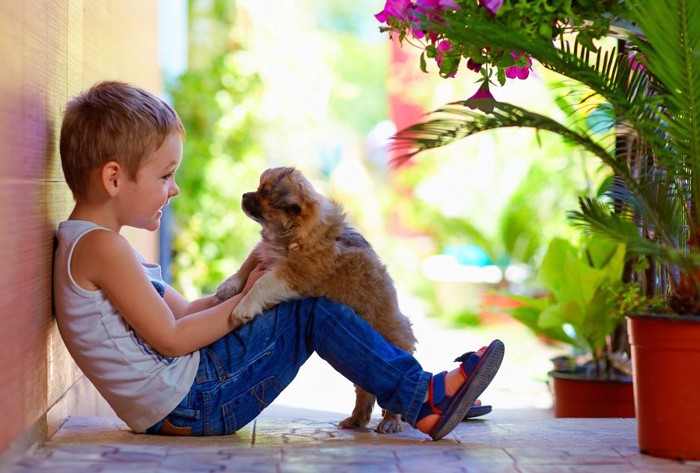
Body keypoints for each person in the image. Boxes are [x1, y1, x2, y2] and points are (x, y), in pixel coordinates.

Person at [52, 80, 505, 440]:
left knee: (299, 295)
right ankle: (420, 396)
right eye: (166, 175)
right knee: (309, 310)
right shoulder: (99, 248)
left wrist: (247, 280)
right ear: (114, 178)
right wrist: (256, 297)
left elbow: (187, 312)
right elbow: (172, 338)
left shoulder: (101, 246)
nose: (173, 188)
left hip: (188, 397)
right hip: (192, 401)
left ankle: (416, 391)